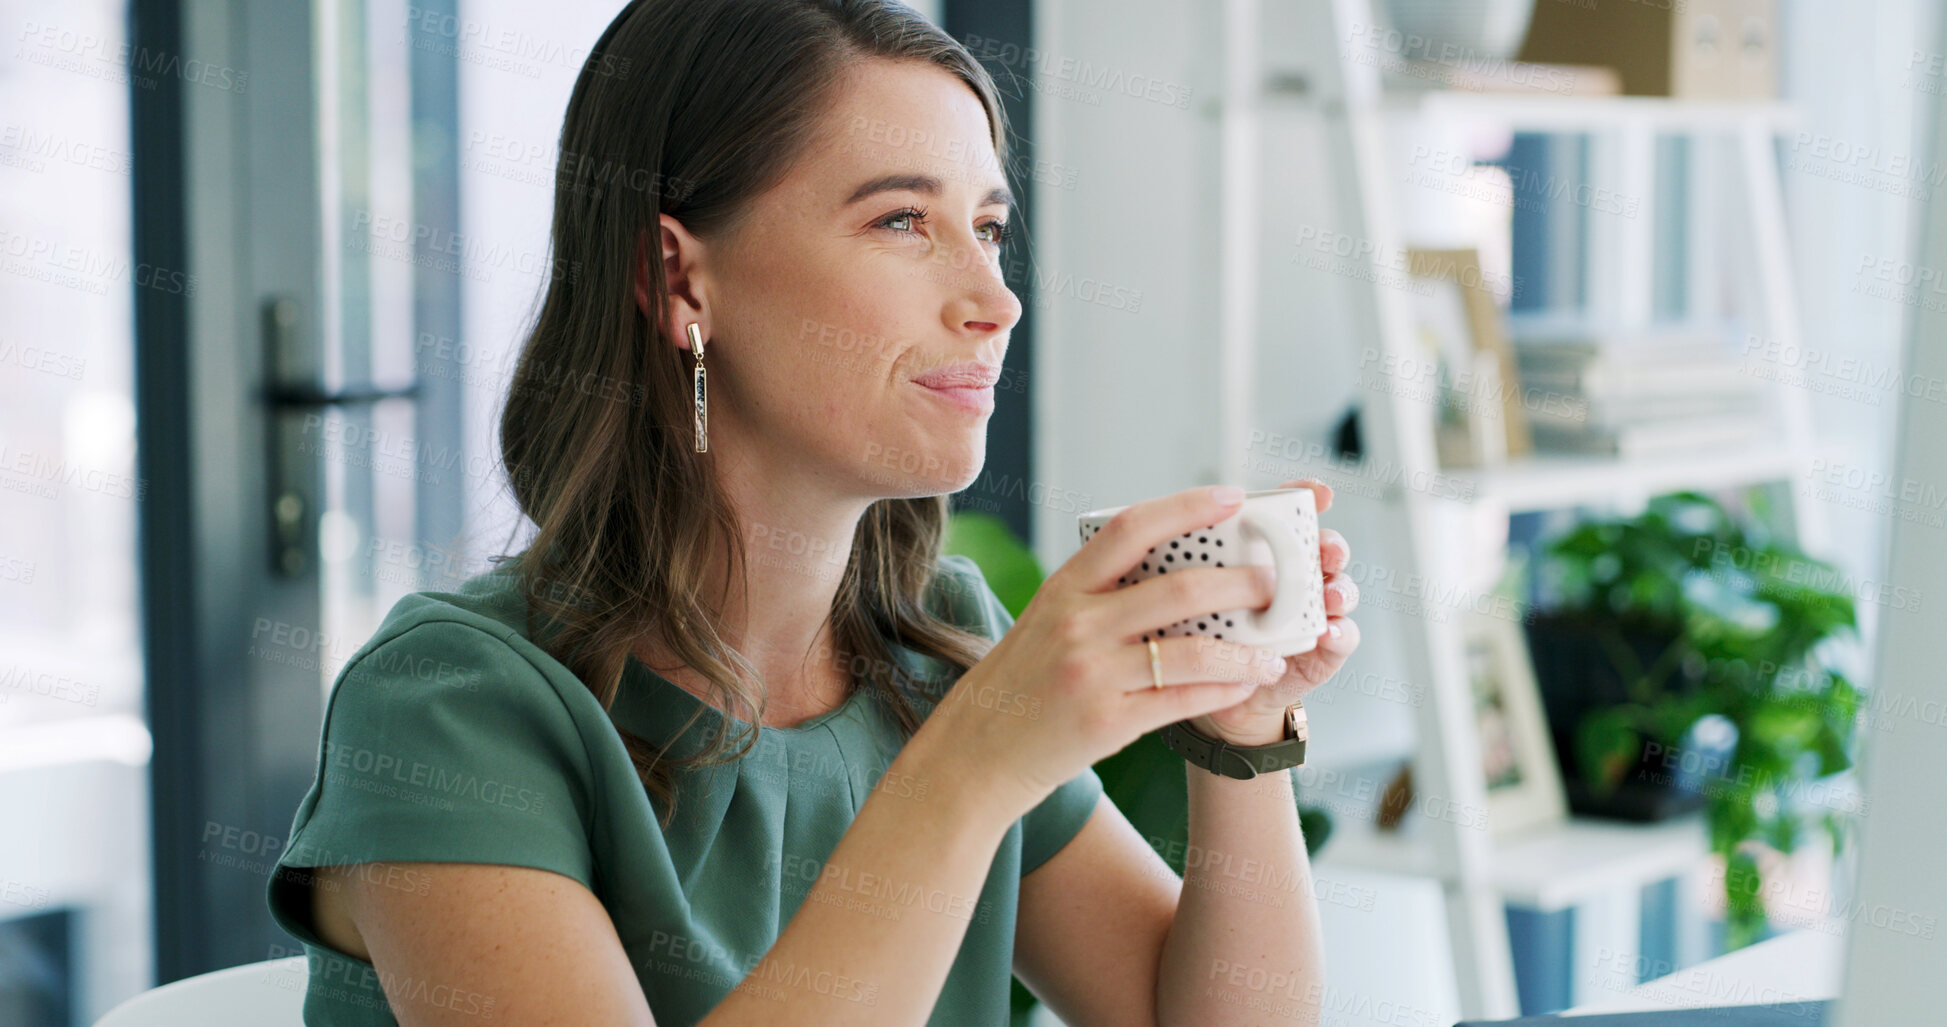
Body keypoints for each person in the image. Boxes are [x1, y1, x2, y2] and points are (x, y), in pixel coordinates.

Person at [265, 1, 1364, 1024]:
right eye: (901, 220)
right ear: (679, 280)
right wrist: (977, 760)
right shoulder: (450, 707)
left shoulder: (931, 641)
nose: (996, 299)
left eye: (986, 226)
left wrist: (1240, 736)